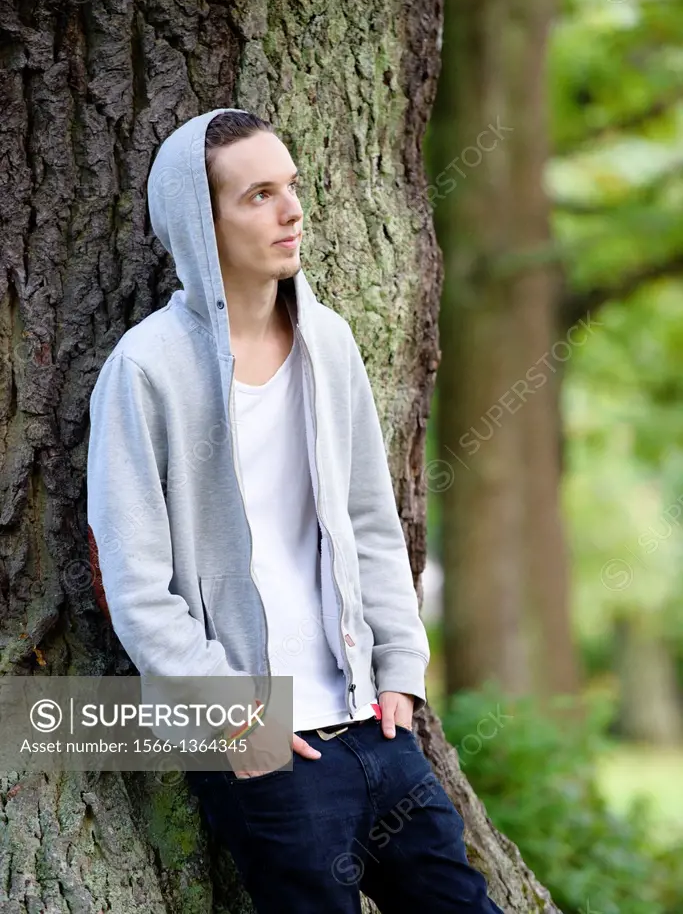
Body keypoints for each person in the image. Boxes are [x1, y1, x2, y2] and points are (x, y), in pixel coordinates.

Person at [86, 108, 505, 913]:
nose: (291, 212)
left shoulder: (330, 342)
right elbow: (137, 583)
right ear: (199, 222)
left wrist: (400, 674)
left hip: (375, 725)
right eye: (259, 195)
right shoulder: (145, 370)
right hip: (268, 750)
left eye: (294, 188)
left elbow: (372, 524)